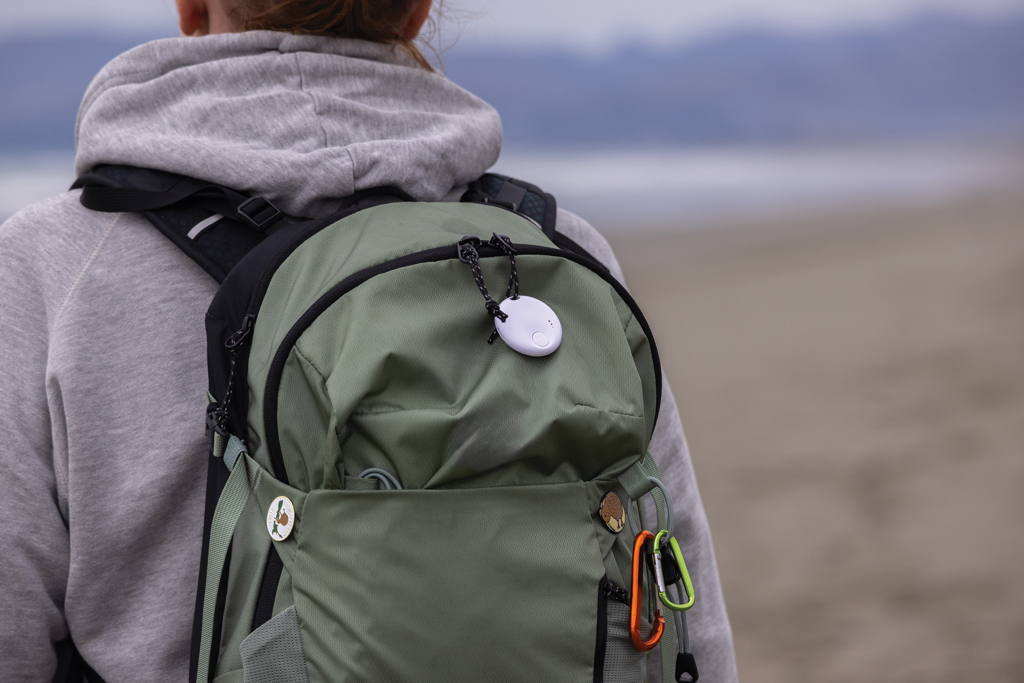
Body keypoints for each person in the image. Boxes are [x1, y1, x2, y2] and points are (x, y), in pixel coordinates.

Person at [0, 0, 738, 680]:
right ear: (417, 11)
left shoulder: (52, 271)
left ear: (192, 6)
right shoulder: (558, 259)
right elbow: (686, 621)